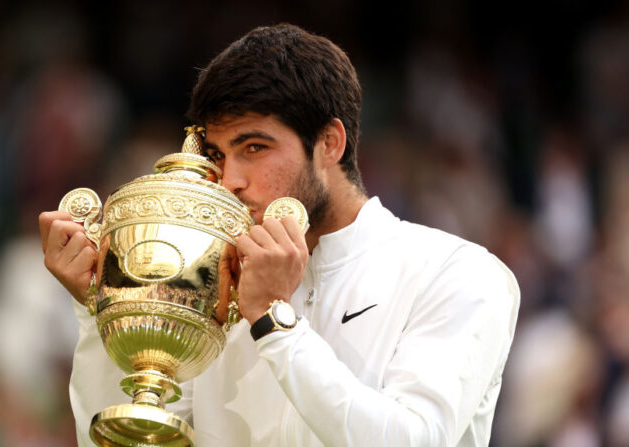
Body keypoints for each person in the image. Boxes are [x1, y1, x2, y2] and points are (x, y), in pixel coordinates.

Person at [39, 24, 520, 447]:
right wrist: (102, 311)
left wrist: (273, 321)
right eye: (220, 154)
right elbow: (128, 443)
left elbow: (411, 441)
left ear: (330, 143)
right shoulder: (211, 287)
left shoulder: (458, 272)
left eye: (254, 147)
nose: (230, 180)